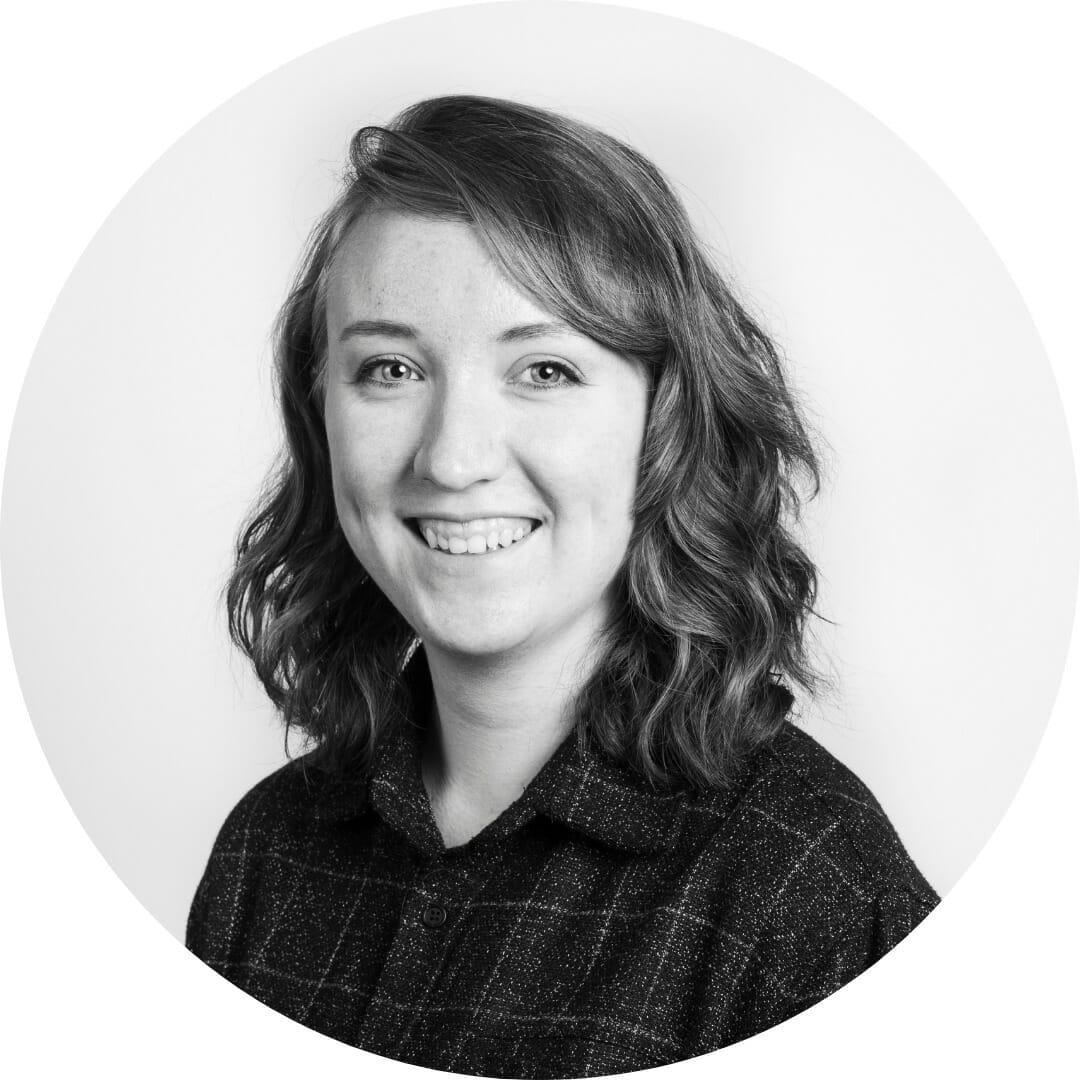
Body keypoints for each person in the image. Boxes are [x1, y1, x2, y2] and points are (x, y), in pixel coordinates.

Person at [186, 95, 938, 1077]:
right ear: (319, 413)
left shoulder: (808, 887)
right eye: (390, 368)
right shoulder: (266, 855)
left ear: (665, 424)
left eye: (543, 370)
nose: (454, 458)